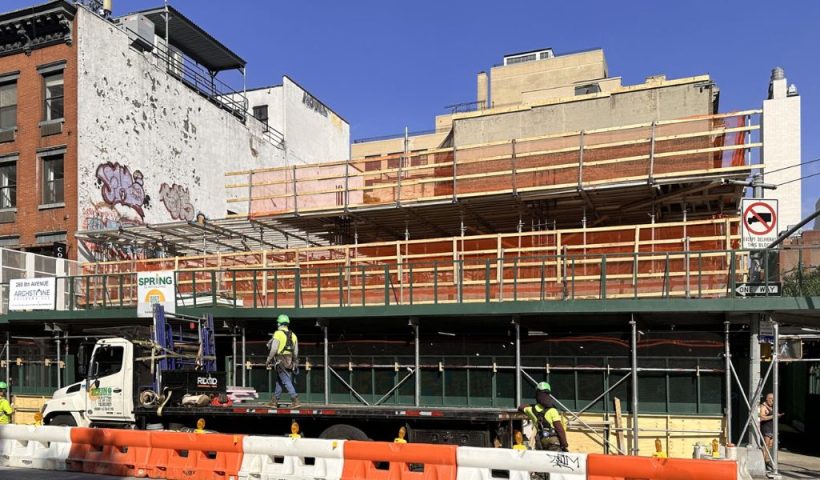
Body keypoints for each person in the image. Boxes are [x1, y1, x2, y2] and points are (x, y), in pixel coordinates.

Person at [518, 382, 568, 452]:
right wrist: (564, 444)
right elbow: (559, 429)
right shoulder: (552, 410)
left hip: (540, 441)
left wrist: (533, 406)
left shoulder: (531, 410)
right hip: (553, 441)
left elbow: (521, 407)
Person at [266, 314, 300, 408]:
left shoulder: (278, 333)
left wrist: (268, 360)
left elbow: (273, 349)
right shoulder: (293, 335)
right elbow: (296, 352)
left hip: (280, 360)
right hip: (290, 360)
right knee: (280, 381)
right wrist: (295, 362)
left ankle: (295, 399)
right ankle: (274, 401)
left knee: (285, 380)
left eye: (278, 322)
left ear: (279, 323)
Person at [759, 392, 783, 470]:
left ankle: (766, 461)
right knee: (766, 445)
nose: (772, 402)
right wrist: (774, 416)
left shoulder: (771, 407)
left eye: (774, 400)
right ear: (767, 399)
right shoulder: (763, 407)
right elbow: (762, 418)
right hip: (766, 428)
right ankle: (763, 462)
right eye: (772, 400)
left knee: (770, 445)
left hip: (772, 428)